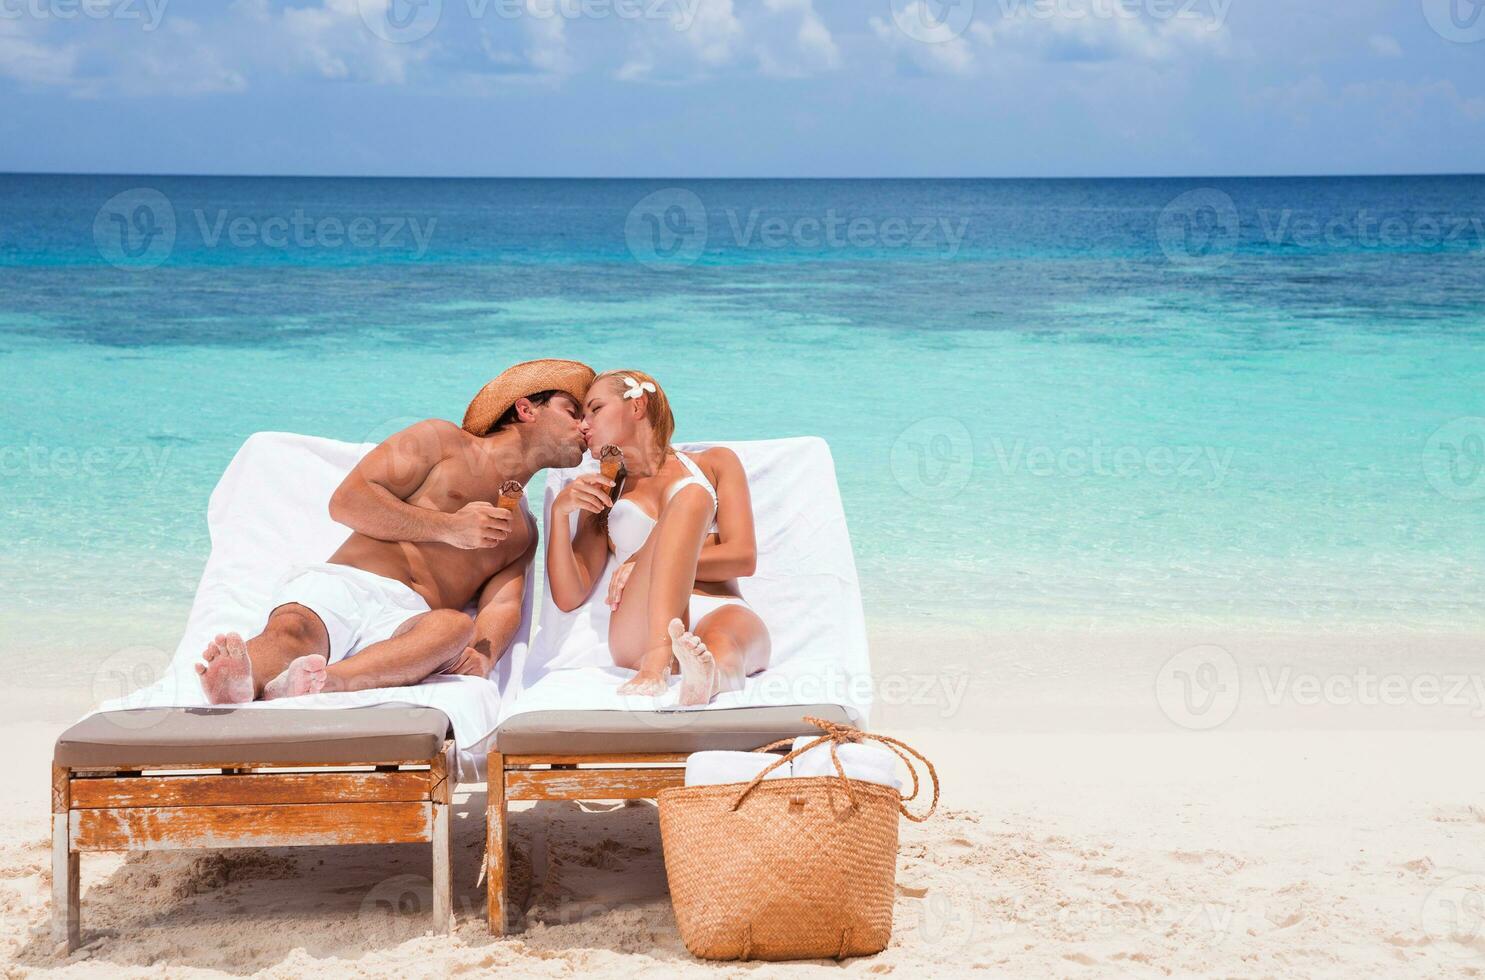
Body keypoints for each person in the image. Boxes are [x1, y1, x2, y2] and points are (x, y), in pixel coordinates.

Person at [195, 359, 595, 703]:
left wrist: (485, 656)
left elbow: (503, 606)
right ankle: (241, 682)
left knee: (453, 628)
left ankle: (320, 682)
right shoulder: (443, 441)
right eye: (573, 411)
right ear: (526, 409)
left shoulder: (523, 532)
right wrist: (450, 528)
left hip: (408, 620)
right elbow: (348, 501)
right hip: (350, 582)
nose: (585, 425)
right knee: (294, 630)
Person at [545, 370, 772, 706]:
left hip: (719, 607)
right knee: (692, 496)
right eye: (581, 415)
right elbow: (568, 595)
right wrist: (559, 515)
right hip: (640, 624)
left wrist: (641, 561)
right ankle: (658, 659)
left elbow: (742, 557)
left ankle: (710, 681)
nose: (584, 424)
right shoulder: (603, 490)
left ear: (637, 406)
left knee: (727, 649)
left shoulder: (714, 464)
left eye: (595, 409)